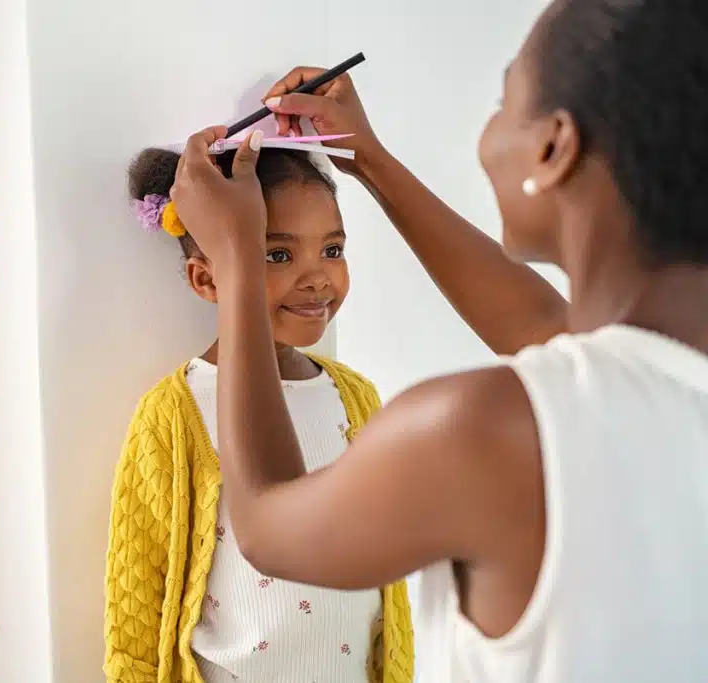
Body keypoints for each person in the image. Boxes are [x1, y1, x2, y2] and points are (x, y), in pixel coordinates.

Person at [168, 0, 708, 681]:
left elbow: (268, 528)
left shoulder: (485, 431)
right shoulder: (670, 384)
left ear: (553, 145)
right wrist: (369, 160)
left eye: (503, 100)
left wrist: (242, 259)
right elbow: (547, 327)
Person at [103, 146, 414, 683]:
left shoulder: (356, 399)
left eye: (332, 249)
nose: (318, 278)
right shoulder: (174, 416)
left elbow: (385, 583)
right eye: (277, 255)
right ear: (207, 280)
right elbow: (136, 606)